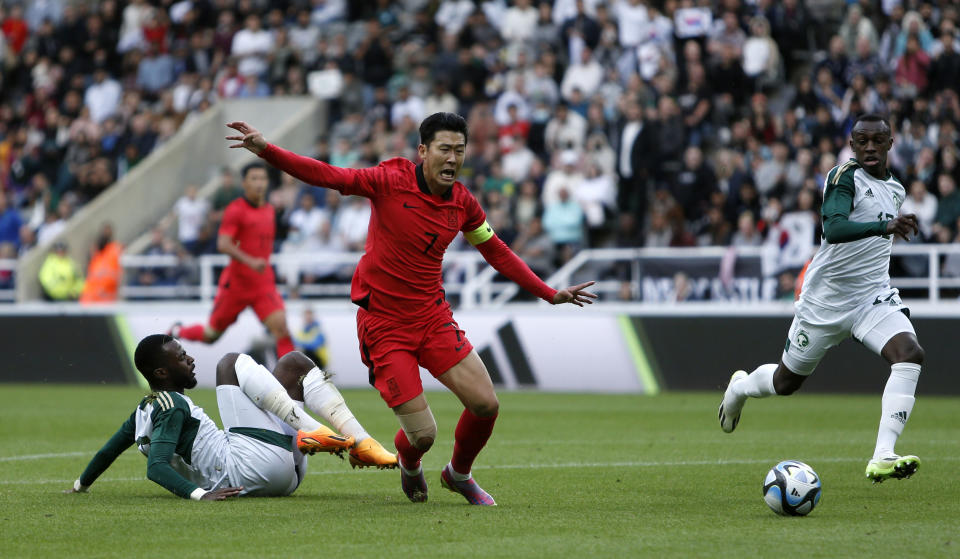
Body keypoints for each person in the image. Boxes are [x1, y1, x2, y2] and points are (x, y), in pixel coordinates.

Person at [225, 113, 597, 505]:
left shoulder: (463, 204)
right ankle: (410, 460)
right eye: (444, 149)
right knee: (423, 435)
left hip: (432, 317)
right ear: (423, 151)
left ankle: (458, 474)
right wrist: (268, 150)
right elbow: (328, 175)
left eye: (460, 150)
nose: (453, 159)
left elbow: (496, 250)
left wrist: (548, 292)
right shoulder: (389, 181)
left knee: (486, 404)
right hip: (384, 325)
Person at [718, 114, 923, 484]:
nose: (870, 147)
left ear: (891, 143)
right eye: (863, 141)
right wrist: (885, 225)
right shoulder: (843, 177)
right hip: (825, 301)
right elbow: (834, 227)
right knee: (786, 383)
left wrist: (889, 227)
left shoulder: (896, 188)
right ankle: (739, 389)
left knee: (909, 354)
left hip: (872, 297)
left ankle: (883, 455)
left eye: (878, 140)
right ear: (852, 145)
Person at [65, 334, 397, 500]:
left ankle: (360, 441)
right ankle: (313, 430)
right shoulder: (172, 406)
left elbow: (109, 451)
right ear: (163, 372)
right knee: (229, 363)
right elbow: (157, 466)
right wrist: (200, 495)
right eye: (182, 358)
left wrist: (81, 485)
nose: (191, 360)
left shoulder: (144, 410)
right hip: (245, 468)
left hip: (275, 475)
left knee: (293, 365)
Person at [170, 163, 294, 359]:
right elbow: (223, 243)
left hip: (262, 283)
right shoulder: (236, 210)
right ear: (244, 183)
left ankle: (293, 384)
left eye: (262, 178)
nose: (259, 183)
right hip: (236, 284)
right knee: (211, 335)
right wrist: (251, 261)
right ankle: (177, 331)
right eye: (254, 179)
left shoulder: (270, 210)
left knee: (282, 329)